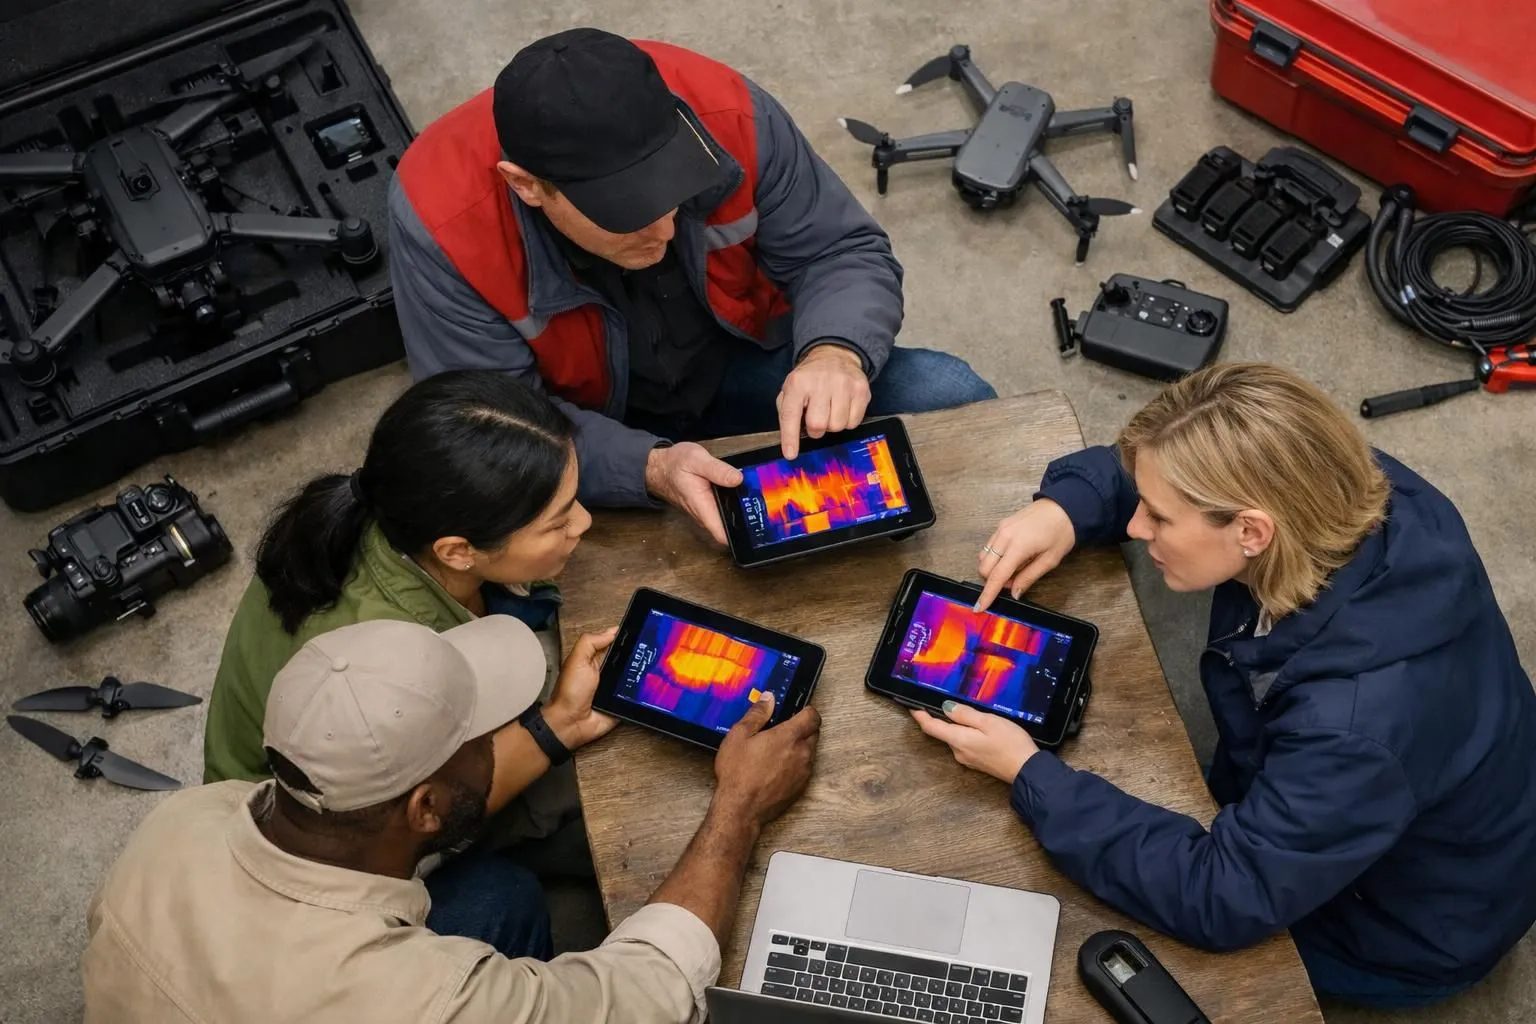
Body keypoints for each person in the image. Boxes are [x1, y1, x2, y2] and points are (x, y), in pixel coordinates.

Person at [911, 362, 1536, 1009]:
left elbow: (1221, 896)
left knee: (1098, 942)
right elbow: (1173, 470)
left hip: (1404, 930)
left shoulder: (1351, 732)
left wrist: (1031, 775)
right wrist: (1067, 508)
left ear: (1251, 532)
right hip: (1414, 804)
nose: (1135, 526)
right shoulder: (1348, 483)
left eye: (1156, 518)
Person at [388, 27, 996, 546]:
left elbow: (839, 249)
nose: (664, 226)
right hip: (587, 427)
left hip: (745, 360)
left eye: (671, 186)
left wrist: (833, 351)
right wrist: (645, 467)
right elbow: (490, 425)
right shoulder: (443, 223)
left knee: (949, 392)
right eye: (623, 209)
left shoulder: (728, 112)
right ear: (525, 185)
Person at [84, 617, 822, 1023]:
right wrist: (738, 808)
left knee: (499, 896)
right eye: (479, 736)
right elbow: (650, 993)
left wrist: (555, 728)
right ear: (425, 807)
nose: (497, 734)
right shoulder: (425, 1000)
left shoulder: (183, 819)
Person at [203, 370, 605, 934]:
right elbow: (432, 812)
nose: (584, 523)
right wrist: (557, 726)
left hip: (361, 785)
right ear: (458, 551)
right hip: (328, 851)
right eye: (558, 520)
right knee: (600, 821)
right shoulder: (391, 671)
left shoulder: (394, 506)